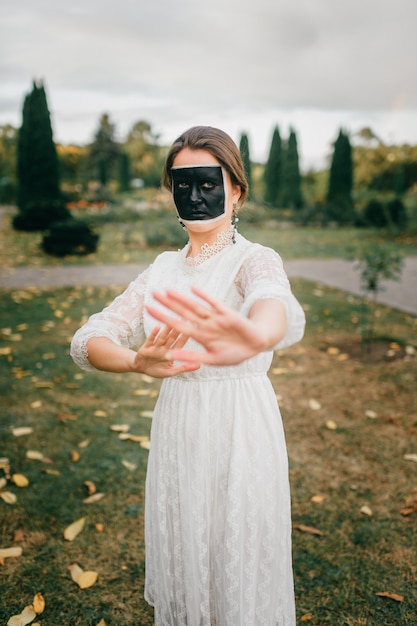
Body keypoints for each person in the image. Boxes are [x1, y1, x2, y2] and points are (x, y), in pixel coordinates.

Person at [70, 125, 305, 626]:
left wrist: (255, 335)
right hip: (180, 425)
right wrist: (136, 361)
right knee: (189, 548)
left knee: (238, 550)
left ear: (236, 189)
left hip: (241, 423)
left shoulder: (254, 258)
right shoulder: (159, 270)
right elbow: (90, 339)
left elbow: (272, 304)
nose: (194, 196)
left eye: (208, 182)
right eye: (183, 184)